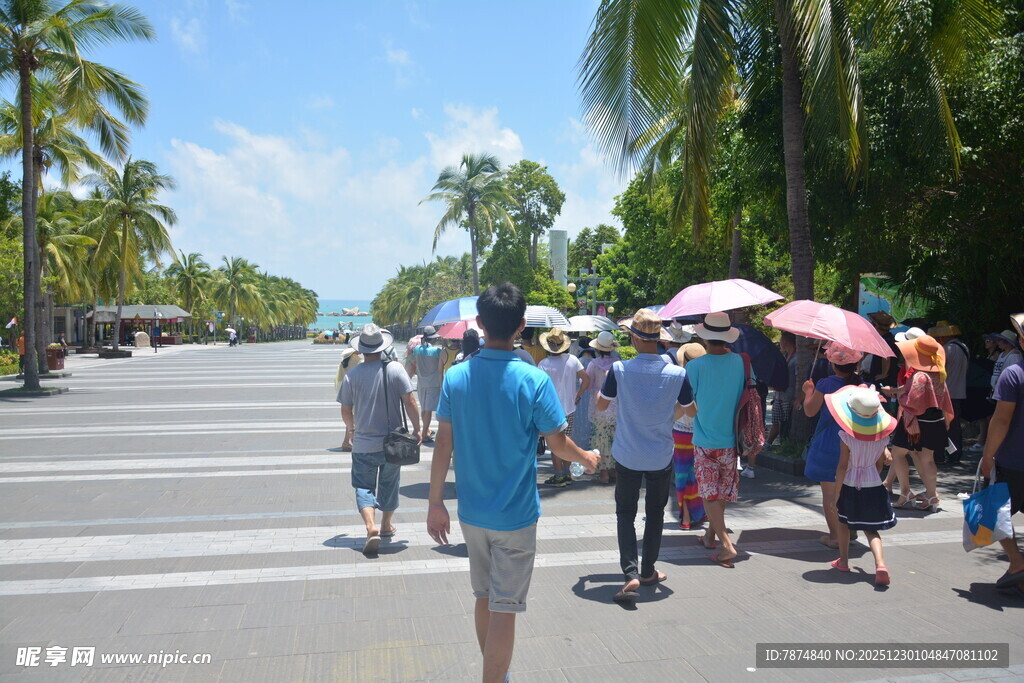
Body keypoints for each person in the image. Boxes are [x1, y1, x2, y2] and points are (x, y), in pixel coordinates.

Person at [427, 283, 599, 683]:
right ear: (522, 327)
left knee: (484, 598)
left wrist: (435, 502)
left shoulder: (456, 377)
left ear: (480, 323)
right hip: (516, 516)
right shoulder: (533, 380)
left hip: (472, 512)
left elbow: (443, 446)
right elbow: (558, 441)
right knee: (505, 607)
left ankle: (496, 674)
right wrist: (588, 458)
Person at [596, 309, 688, 602]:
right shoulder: (677, 373)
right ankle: (648, 570)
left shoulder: (620, 370)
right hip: (660, 454)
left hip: (627, 453)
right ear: (659, 339)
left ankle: (630, 572)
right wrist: (663, 417)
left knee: (625, 513)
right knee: (656, 513)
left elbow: (601, 405)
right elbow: (689, 409)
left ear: (634, 337)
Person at [338, 324, 421, 556]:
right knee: (389, 484)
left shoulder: (352, 375)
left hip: (363, 444)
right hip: (392, 444)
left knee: (364, 486)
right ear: (382, 346)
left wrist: (351, 429)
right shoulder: (395, 369)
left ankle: (370, 526)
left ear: (361, 350)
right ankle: (385, 525)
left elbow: (346, 409)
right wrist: (418, 429)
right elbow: (410, 402)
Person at [679, 312, 746, 568]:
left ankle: (727, 546)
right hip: (731, 440)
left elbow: (687, 403)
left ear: (704, 337)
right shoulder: (740, 362)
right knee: (720, 494)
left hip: (705, 439)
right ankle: (710, 535)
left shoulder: (694, 367)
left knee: (709, 494)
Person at [826, 386, 898, 586]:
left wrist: (836, 494)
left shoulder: (847, 436)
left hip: (850, 484)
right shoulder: (881, 437)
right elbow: (879, 464)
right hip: (874, 484)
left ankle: (843, 560)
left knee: (843, 522)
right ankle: (880, 564)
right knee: (871, 529)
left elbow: (842, 467)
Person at [801, 342, 865, 549]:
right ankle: (849, 529)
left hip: (829, 443)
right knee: (850, 490)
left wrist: (807, 391)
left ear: (832, 363)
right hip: (855, 443)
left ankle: (836, 536)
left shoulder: (826, 384)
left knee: (830, 495)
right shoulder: (861, 386)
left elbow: (810, 411)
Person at [885, 334, 954, 513]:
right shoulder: (938, 372)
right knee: (927, 458)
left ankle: (905, 492)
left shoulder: (920, 375)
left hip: (916, 423)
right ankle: (931, 495)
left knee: (897, 454)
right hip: (935, 420)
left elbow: (912, 401)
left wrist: (897, 395)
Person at [982, 313, 1024, 594]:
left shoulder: (1014, 374)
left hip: (1014, 460)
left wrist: (987, 456)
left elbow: (1001, 420)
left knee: (991, 513)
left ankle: (1017, 562)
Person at [538, 328, 590, 487]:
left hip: (550, 410)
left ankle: (559, 475)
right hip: (569, 408)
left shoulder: (543, 364)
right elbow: (586, 380)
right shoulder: (573, 360)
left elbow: (538, 389)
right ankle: (567, 474)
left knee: (554, 443)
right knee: (566, 441)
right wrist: (578, 394)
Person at [674, 342, 707, 530]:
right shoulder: (707, 378)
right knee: (698, 475)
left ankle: (686, 515)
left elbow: (676, 411)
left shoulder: (679, 378)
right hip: (702, 432)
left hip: (680, 432)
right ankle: (699, 512)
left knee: (681, 474)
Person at [929, 321, 968, 464]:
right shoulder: (964, 347)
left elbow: (937, 369)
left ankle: (939, 455)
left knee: (941, 425)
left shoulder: (946, 349)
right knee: (955, 425)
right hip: (959, 391)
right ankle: (955, 454)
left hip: (946, 393)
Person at [587, 331, 620, 483]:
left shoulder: (593, 365)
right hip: (615, 407)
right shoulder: (618, 364)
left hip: (598, 406)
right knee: (614, 439)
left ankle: (603, 472)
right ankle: (614, 470)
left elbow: (588, 384)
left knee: (600, 439)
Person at [409, 326, 446, 445]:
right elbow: (441, 368)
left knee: (424, 408)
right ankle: (424, 434)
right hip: (433, 383)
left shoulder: (417, 349)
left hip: (421, 382)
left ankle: (425, 430)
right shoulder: (438, 351)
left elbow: (413, 361)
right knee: (428, 410)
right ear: (433, 339)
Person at [767, 332, 797, 446]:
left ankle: (782, 444)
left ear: (786, 341)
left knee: (785, 422)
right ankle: (769, 443)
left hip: (788, 394)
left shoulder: (796, 358)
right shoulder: (784, 356)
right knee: (776, 420)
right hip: (779, 394)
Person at [335, 347, 364, 452]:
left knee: (350, 416)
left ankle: (346, 442)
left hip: (346, 390)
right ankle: (347, 442)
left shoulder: (344, 360)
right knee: (354, 417)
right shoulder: (359, 361)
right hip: (357, 391)